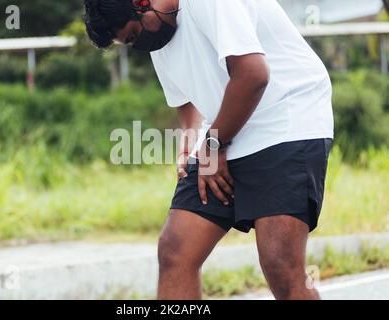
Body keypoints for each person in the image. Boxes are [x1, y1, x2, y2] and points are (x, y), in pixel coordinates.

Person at [84, 0, 334, 300]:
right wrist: (190, 143)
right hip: (226, 129)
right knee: (176, 251)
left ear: (141, 3)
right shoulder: (158, 31)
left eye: (134, 35)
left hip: (286, 119)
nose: (139, 45)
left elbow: (253, 74)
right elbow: (185, 100)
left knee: (280, 264)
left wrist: (213, 145)